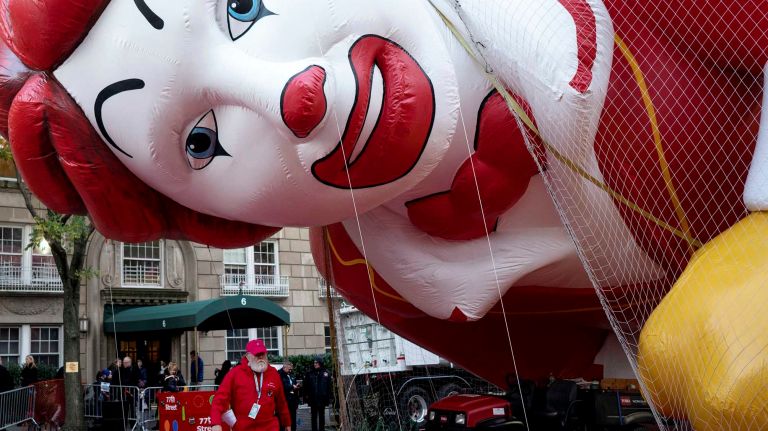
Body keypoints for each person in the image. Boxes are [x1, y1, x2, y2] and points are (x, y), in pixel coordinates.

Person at [210, 339, 290, 431]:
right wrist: (215, 423)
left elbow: (281, 402)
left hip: (270, 427)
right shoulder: (235, 373)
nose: (260, 358)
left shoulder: (273, 373)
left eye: (262, 354)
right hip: (243, 427)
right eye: (257, 355)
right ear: (248, 356)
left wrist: (287, 422)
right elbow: (219, 400)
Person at [304, 357, 332, 431]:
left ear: (320, 363)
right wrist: (306, 398)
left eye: (316, 363)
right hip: (313, 399)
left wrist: (328, 398)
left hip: (322, 399)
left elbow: (329, 387)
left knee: (321, 416)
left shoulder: (326, 373)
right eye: (314, 363)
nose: (315, 364)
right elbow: (306, 386)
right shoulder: (310, 373)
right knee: (313, 416)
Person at [278, 361, 300, 431]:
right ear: (284, 367)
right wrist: (292, 387)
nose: (290, 371)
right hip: (285, 402)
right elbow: (283, 387)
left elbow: (294, 383)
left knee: (293, 420)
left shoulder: (291, 374)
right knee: (284, 422)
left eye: (291, 369)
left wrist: (296, 386)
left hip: (293, 402)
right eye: (289, 369)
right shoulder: (279, 375)